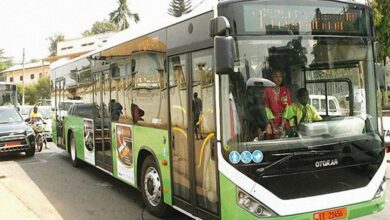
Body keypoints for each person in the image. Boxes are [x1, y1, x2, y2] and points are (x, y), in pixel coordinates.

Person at [263, 68, 292, 136]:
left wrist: (281, 127)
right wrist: (273, 127)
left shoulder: (285, 90)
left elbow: (287, 109)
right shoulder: (267, 91)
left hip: (284, 125)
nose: (278, 79)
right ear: (271, 78)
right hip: (271, 125)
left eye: (280, 76)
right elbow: (267, 109)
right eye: (275, 76)